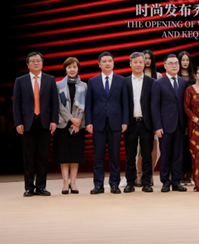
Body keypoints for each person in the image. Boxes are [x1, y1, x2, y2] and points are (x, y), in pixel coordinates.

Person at [13, 52, 59, 197]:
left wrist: (54, 120)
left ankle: (41, 187)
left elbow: (54, 102)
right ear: (28, 64)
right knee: (28, 157)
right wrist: (18, 122)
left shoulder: (50, 79)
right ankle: (29, 187)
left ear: (42, 63)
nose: (36, 63)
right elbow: (16, 104)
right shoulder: (20, 81)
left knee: (42, 157)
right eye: (32, 61)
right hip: (27, 123)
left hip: (44, 123)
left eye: (38, 61)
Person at [85, 51, 129, 194]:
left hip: (116, 122)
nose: (107, 63)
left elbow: (125, 103)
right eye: (104, 61)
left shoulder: (121, 80)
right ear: (99, 64)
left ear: (113, 63)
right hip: (98, 123)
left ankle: (114, 184)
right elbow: (89, 104)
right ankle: (98, 185)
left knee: (115, 155)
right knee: (98, 156)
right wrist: (89, 122)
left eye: (110, 61)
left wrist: (125, 121)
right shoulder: (92, 81)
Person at [152, 54, 189, 192]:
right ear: (165, 65)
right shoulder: (158, 83)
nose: (174, 66)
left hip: (180, 125)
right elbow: (154, 106)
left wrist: (186, 125)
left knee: (178, 155)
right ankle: (165, 182)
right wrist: (157, 126)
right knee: (166, 154)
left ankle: (176, 181)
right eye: (171, 63)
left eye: (176, 63)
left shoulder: (184, 82)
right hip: (165, 125)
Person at [123, 52, 156, 193]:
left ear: (144, 64)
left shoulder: (151, 82)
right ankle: (130, 183)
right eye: (135, 62)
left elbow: (154, 105)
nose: (138, 65)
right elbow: (123, 104)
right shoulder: (124, 82)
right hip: (130, 123)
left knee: (147, 155)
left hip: (146, 124)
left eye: (140, 62)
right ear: (130, 64)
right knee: (130, 155)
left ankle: (146, 182)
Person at [53, 57, 87, 194]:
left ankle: (73, 183)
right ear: (65, 69)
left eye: (74, 67)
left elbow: (85, 106)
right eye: (69, 67)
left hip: (78, 126)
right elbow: (58, 105)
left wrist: (78, 122)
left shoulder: (84, 86)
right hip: (63, 124)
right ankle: (65, 184)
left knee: (75, 156)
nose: (72, 69)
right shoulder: (57, 85)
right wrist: (71, 119)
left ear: (78, 69)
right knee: (64, 156)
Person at [136, 49, 161, 187]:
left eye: (149, 58)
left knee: (154, 146)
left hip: (154, 116)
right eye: (144, 58)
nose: (146, 61)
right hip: (140, 116)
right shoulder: (137, 75)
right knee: (141, 149)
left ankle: (149, 174)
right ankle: (139, 175)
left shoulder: (158, 76)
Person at [177, 50, 195, 185]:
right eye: (182, 60)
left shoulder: (194, 78)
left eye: (187, 60)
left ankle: (189, 174)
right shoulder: (175, 77)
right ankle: (179, 174)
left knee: (191, 147)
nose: (185, 62)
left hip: (192, 116)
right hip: (178, 116)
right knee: (180, 147)